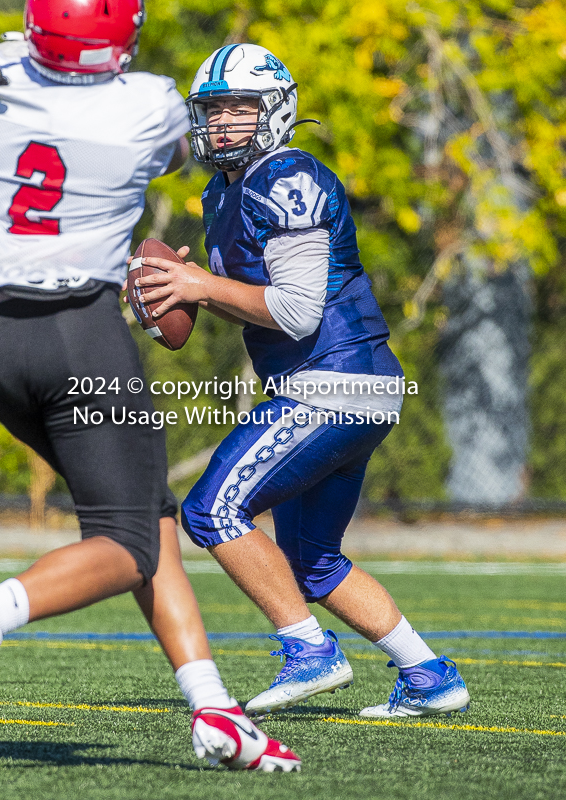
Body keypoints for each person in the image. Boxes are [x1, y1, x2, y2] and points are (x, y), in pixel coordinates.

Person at [0, 4, 300, 771]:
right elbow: (167, 150)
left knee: (147, 514)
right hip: (81, 336)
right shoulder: (148, 102)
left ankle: (216, 711)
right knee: (127, 541)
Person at [131, 43, 471, 719]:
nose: (224, 123)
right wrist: (184, 295)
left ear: (276, 111)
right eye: (214, 110)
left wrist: (200, 283)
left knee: (210, 510)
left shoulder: (288, 176)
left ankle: (310, 652)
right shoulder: (222, 191)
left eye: (240, 108)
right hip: (347, 385)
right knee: (311, 560)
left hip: (332, 381)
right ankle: (429, 674)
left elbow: (295, 309)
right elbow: (258, 303)